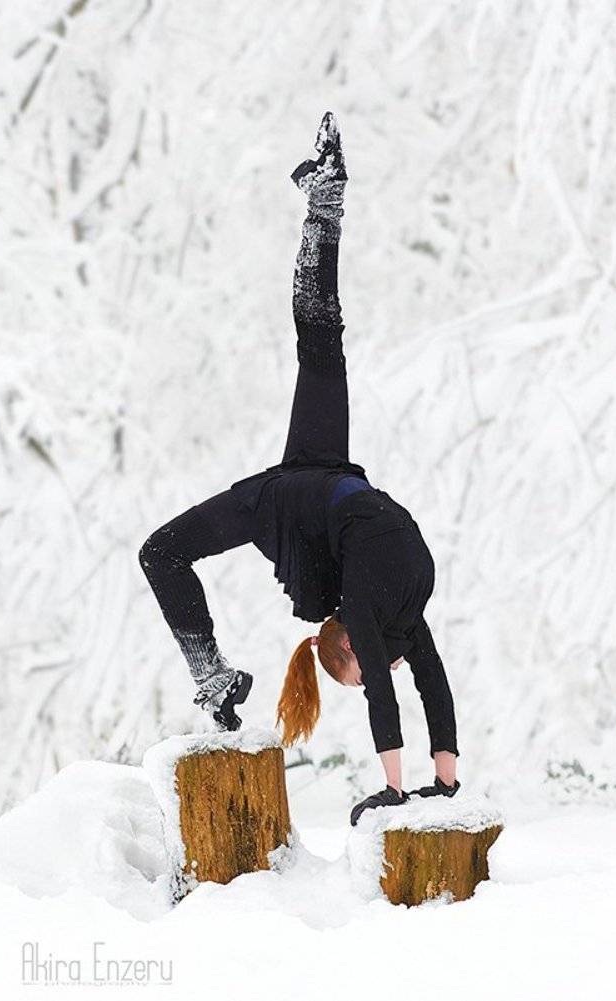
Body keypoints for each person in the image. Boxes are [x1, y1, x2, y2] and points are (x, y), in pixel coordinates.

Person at [138, 112, 459, 825]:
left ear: (345, 645)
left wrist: (403, 784)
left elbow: (390, 676)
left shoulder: (347, 604)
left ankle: (211, 678)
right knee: (320, 335)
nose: (380, 667)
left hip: (284, 495)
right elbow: (416, 676)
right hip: (316, 472)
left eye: (349, 670)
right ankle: (325, 203)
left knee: (161, 551)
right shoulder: (368, 598)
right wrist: (444, 776)